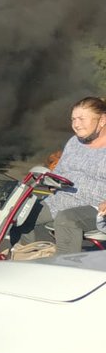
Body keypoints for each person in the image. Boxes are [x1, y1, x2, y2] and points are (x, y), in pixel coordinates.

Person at [18, 96, 106, 255]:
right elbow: (60, 173)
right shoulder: (74, 142)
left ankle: (66, 271)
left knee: (67, 219)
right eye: (73, 119)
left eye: (81, 119)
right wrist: (47, 179)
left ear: (102, 120)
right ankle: (23, 258)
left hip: (96, 207)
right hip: (62, 200)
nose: (76, 124)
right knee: (20, 212)